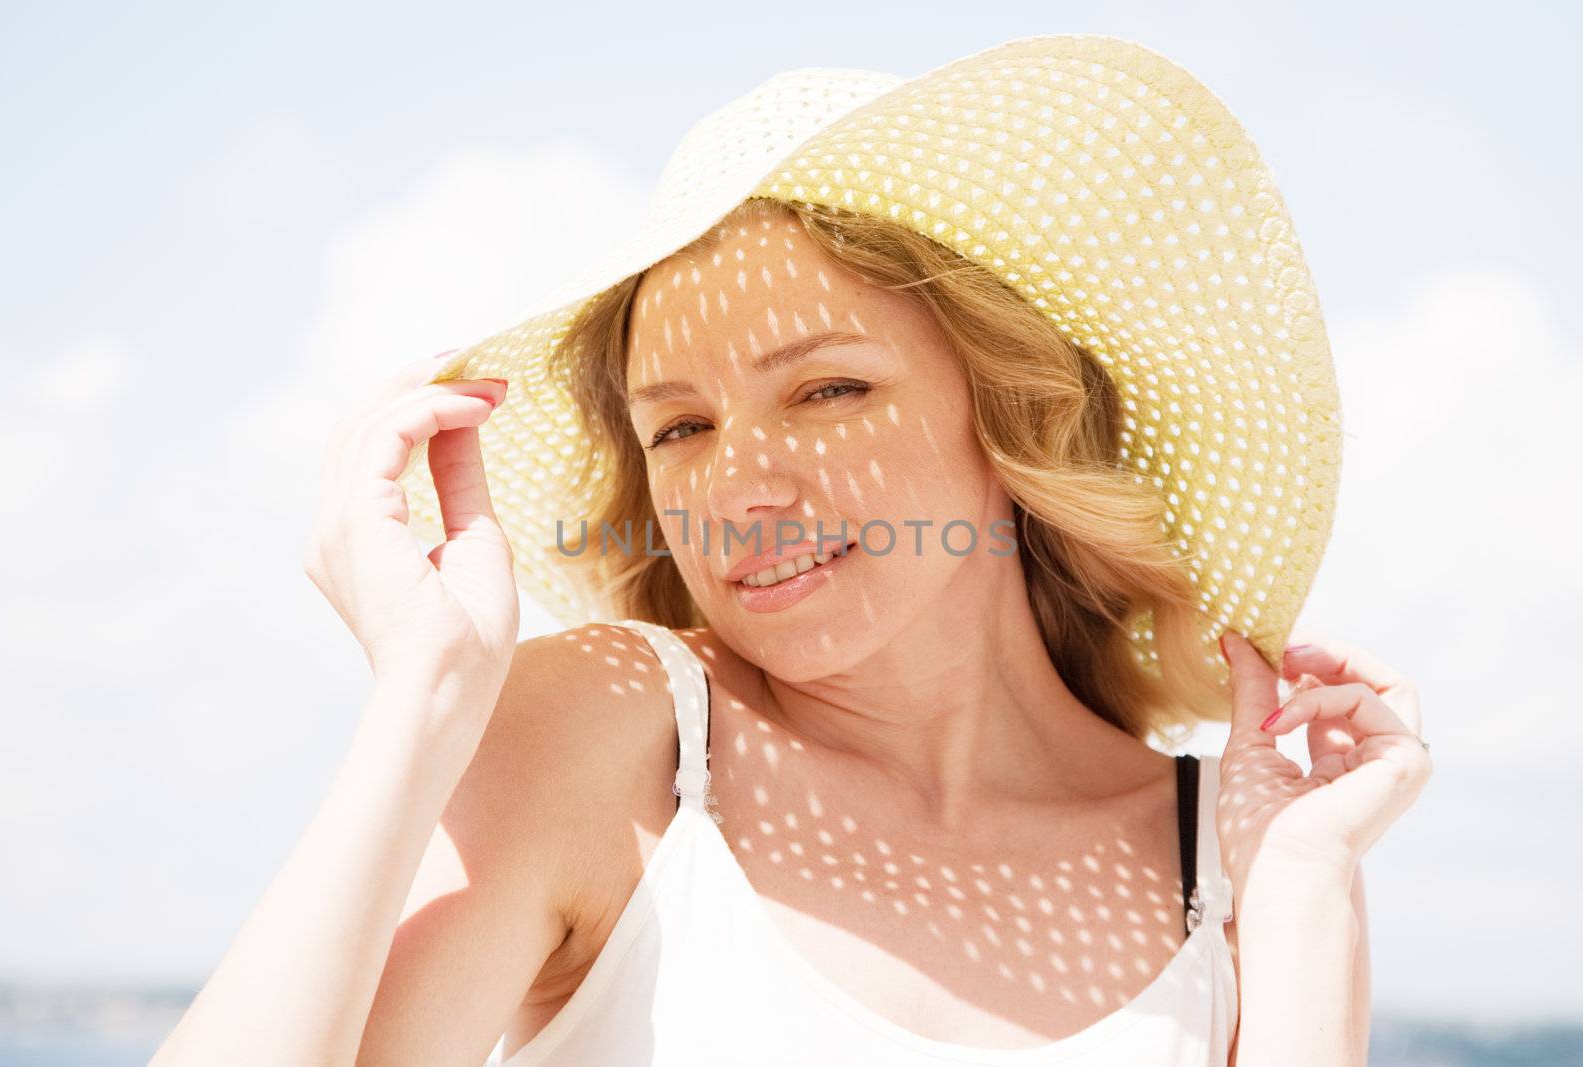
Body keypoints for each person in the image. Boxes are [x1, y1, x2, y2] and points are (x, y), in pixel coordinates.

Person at [149, 37, 1432, 1067]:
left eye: (827, 391)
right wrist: (424, 699)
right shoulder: (611, 732)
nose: (741, 486)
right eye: (682, 427)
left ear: (1006, 413)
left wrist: (1305, 889)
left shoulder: (1246, 847)